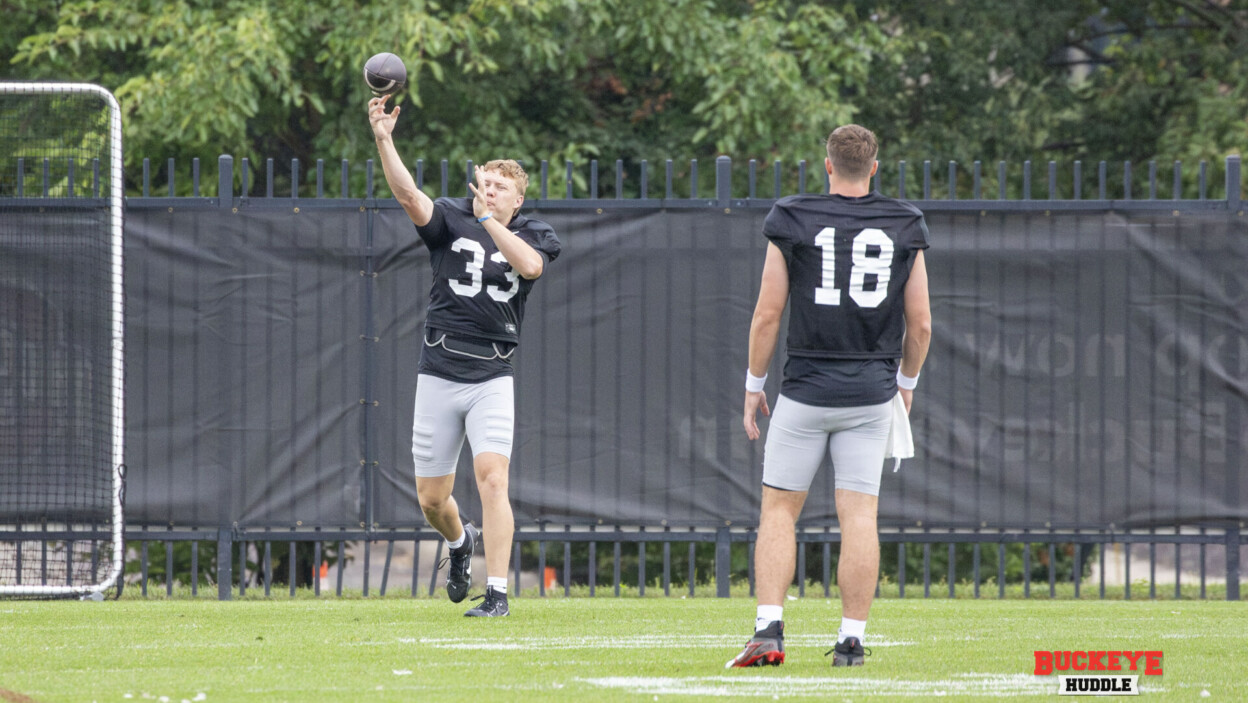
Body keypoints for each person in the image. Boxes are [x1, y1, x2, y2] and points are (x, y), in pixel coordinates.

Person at [726, 125, 931, 667]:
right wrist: (904, 387)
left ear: (827, 165)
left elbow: (768, 313)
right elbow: (922, 325)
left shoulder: (793, 215)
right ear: (875, 167)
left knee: (778, 511)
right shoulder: (903, 222)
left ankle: (769, 630)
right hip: (870, 391)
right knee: (859, 515)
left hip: (806, 390)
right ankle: (852, 639)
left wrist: (753, 385)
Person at [368, 94, 561, 617]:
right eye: (488, 182)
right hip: (439, 370)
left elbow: (531, 268)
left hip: (492, 373)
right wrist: (384, 138)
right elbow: (409, 195)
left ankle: (496, 592)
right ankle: (458, 544)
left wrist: (491, 222)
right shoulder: (453, 217)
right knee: (432, 500)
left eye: (503, 188)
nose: (491, 191)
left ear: (517, 201)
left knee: (493, 478)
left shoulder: (532, 232)